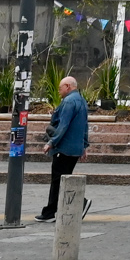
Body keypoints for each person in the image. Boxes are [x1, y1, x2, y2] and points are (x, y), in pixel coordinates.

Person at [37, 73, 91, 222]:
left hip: (64, 147)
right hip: (75, 147)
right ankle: (52, 211)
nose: (59, 91)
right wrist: (84, 145)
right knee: (63, 178)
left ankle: (56, 210)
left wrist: (51, 142)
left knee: (58, 179)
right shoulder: (81, 101)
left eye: (60, 88)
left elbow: (63, 125)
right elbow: (85, 126)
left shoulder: (68, 102)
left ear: (68, 87)